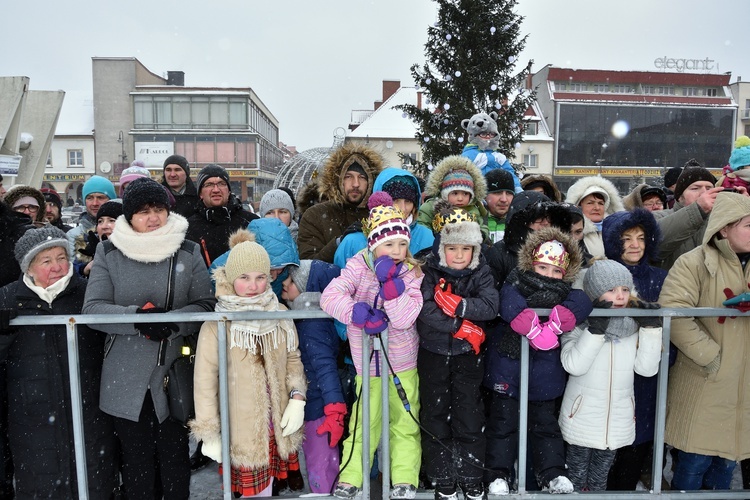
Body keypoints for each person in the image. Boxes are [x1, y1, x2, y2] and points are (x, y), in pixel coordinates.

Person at [83, 177, 216, 499]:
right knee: (136, 463)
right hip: (125, 377)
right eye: (143, 211)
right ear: (129, 217)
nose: (153, 217)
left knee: (174, 463)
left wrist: (173, 324)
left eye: (158, 209)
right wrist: (137, 319)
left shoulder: (187, 250)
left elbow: (205, 304)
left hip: (174, 372)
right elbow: (94, 308)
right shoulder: (108, 252)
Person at [0, 226, 117, 498]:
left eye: (62, 257)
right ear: (28, 267)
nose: (58, 267)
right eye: (46, 260)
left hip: (90, 407)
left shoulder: (89, 294)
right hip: (32, 414)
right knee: (41, 482)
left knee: (94, 479)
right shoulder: (7, 299)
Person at [321, 192, 424, 500]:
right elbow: (330, 295)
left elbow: (405, 318)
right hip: (368, 364)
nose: (396, 251)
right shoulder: (358, 266)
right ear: (373, 244)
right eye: (389, 244)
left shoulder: (412, 272)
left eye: (402, 244)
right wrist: (356, 312)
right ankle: (352, 477)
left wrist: (393, 290)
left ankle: (404, 477)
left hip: (402, 364)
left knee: (404, 423)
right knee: (364, 423)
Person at [191, 233, 307, 498]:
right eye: (244, 278)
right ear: (232, 278)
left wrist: (297, 397)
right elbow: (205, 381)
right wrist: (209, 431)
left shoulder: (279, 313)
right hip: (240, 429)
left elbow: (292, 358)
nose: (253, 285)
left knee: (266, 490)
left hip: (274, 424)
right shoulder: (218, 323)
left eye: (260, 277)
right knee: (251, 493)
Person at [484, 227, 590, 495]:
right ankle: (498, 474)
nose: (549, 275)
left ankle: (552, 472)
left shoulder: (566, 292)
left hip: (543, 376)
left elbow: (582, 301)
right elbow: (508, 303)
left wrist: (556, 324)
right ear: (531, 264)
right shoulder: (515, 283)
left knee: (545, 427)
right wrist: (531, 327)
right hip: (509, 371)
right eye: (543, 268)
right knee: (503, 425)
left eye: (556, 271)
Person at [659, 191, 750, 490]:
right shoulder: (694, 262)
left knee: (726, 465)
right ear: (724, 227)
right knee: (693, 465)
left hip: (743, 387)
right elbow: (674, 311)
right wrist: (712, 357)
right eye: (748, 225)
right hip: (705, 379)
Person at [417, 203, 499, 500]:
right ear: (442, 249)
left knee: (469, 414)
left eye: (467, 248)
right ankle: (441, 477)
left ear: (475, 250)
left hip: (468, 355)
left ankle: (471, 475)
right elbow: (425, 308)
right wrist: (458, 325)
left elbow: (491, 306)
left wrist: (462, 306)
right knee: (435, 415)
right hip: (433, 353)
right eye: (453, 248)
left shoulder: (482, 272)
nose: (460, 255)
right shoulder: (428, 272)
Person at [559, 260, 662, 491]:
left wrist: (651, 329)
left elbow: (647, 369)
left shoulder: (633, 327)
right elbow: (573, 365)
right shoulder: (578, 325)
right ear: (595, 293)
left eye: (625, 290)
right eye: (612, 290)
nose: (620, 296)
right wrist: (595, 330)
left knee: (598, 483)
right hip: (581, 419)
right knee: (574, 482)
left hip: (616, 421)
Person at [601, 209, 671, 491]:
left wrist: (663, 354)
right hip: (607, 378)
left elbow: (671, 328)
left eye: (641, 238)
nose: (635, 244)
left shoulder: (660, 277)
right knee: (603, 459)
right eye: (627, 238)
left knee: (636, 449)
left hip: (646, 381)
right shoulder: (600, 275)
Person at [281, 259, 346, 494]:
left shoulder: (312, 324)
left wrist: (333, 407)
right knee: (321, 464)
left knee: (321, 468)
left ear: (310, 292)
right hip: (314, 406)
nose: (285, 284)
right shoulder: (307, 318)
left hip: (319, 410)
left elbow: (325, 368)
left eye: (292, 281)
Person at [297, 143, 384, 262]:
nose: (355, 184)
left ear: (370, 181)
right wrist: (339, 243)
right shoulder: (314, 215)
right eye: (348, 176)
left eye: (362, 177)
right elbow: (308, 266)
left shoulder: (381, 214)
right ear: (338, 179)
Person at [335, 167, 434, 268]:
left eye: (408, 201)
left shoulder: (426, 237)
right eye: (396, 201)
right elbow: (340, 280)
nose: (403, 208)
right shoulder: (354, 241)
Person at [485, 191, 573, 288]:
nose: (545, 222)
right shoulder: (499, 252)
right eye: (538, 217)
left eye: (549, 217)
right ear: (522, 221)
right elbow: (491, 293)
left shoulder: (561, 250)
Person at [653, 165, 727, 270]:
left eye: (709, 188)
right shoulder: (659, 216)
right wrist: (698, 209)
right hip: (673, 284)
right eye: (695, 188)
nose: (704, 193)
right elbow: (655, 244)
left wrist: (743, 207)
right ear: (680, 197)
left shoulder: (720, 219)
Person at [185, 164, 258, 267]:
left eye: (221, 183)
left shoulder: (250, 222)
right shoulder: (188, 228)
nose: (216, 190)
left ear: (228, 190)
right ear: (200, 193)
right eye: (209, 184)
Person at [418, 156, 489, 242]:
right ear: (445, 194)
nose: (460, 198)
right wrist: (431, 237)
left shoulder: (474, 210)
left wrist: (481, 234)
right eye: (455, 193)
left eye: (465, 194)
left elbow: (482, 226)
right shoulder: (430, 207)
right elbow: (422, 224)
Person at [564, 176, 624, 259]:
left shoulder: (616, 231)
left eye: (600, 203)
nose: (597, 207)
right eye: (590, 203)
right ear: (579, 206)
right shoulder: (571, 233)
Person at [66, 175, 117, 255]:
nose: (95, 203)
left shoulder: (124, 232)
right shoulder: (73, 236)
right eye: (90, 198)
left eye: (100, 198)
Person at [74, 200, 123, 278]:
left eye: (111, 220)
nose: (104, 226)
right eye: (100, 221)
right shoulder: (86, 248)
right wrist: (83, 270)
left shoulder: (135, 253)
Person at [484, 169, 516, 244]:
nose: (504, 199)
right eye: (497, 193)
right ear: (485, 196)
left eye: (508, 193)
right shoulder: (476, 222)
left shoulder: (519, 222)